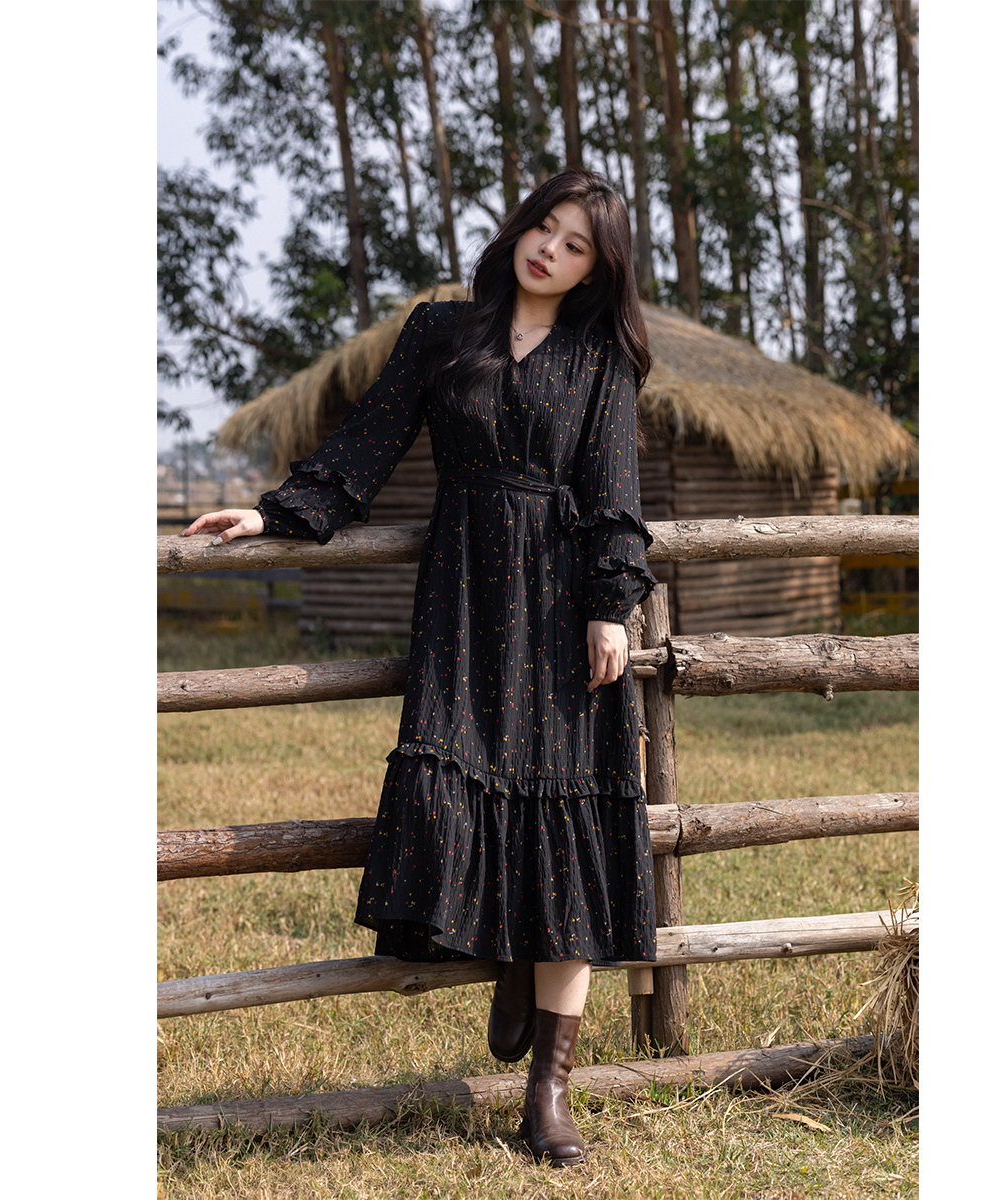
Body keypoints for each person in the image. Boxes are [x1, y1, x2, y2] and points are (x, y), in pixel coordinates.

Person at [184, 168, 658, 1168]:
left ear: (596, 268)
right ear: (520, 227)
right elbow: (368, 443)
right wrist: (274, 515)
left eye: (576, 244)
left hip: (561, 607)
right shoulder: (443, 331)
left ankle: (548, 1094)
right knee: (455, 792)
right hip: (465, 598)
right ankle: (510, 949)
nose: (550, 250)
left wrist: (610, 606)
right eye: (544, 227)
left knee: (567, 830)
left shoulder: (600, 357)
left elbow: (614, 491)